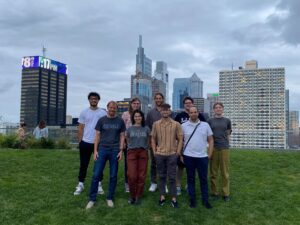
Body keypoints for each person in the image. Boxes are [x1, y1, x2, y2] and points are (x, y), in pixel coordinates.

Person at [86, 101, 125, 209]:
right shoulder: (101, 120)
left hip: (114, 150)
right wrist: (95, 151)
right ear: (107, 108)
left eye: (114, 108)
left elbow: (122, 136)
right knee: (96, 174)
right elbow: (97, 136)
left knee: (113, 175)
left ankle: (110, 198)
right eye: (110, 107)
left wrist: (121, 150)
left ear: (116, 109)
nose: (112, 109)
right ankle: (92, 199)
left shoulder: (120, 121)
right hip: (102, 149)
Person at [73, 92, 107, 196]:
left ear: (98, 100)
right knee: (84, 164)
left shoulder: (103, 113)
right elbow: (81, 128)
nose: (94, 100)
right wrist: (80, 141)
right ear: (89, 100)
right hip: (85, 142)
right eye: (92, 99)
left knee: (99, 165)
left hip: (99, 143)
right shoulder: (84, 112)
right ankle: (80, 184)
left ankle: (99, 184)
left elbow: (105, 128)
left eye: (95, 99)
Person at [151, 103, 183, 208]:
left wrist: (178, 152)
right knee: (161, 176)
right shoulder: (156, 124)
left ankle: (173, 198)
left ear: (170, 111)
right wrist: (154, 151)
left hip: (172, 154)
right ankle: (162, 196)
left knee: (172, 177)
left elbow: (180, 138)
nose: (165, 112)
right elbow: (153, 138)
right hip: (160, 154)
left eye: (167, 110)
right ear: (161, 112)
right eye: (163, 110)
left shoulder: (176, 124)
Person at [181, 106, 214, 209]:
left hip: (202, 157)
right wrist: (181, 154)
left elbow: (211, 140)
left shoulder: (205, 125)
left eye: (195, 112)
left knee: (203, 179)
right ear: (189, 114)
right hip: (188, 156)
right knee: (190, 179)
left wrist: (210, 154)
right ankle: (192, 200)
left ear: (198, 113)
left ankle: (205, 200)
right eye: (191, 112)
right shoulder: (183, 126)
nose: (193, 114)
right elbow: (180, 141)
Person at [174, 96, 206, 195]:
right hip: (182, 145)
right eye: (186, 103)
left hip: (195, 147)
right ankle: (177, 186)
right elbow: (175, 131)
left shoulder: (199, 115)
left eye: (190, 102)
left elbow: (204, 129)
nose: (188, 104)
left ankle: (189, 185)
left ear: (192, 104)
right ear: (184, 105)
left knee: (191, 168)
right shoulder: (179, 116)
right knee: (180, 168)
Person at [207, 102, 232, 202]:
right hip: (213, 148)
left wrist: (228, 144)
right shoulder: (209, 121)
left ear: (222, 109)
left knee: (225, 172)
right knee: (213, 172)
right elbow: (207, 134)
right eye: (216, 108)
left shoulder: (227, 120)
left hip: (224, 148)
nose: (218, 109)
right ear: (214, 110)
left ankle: (226, 193)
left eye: (220, 107)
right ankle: (214, 192)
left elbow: (228, 133)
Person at [126, 109, 150, 205]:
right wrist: (131, 147)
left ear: (142, 117)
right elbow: (127, 139)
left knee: (141, 175)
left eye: (139, 116)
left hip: (143, 152)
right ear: (133, 118)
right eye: (135, 116)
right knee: (132, 175)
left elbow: (149, 139)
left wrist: (146, 147)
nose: (137, 118)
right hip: (132, 152)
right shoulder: (130, 129)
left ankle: (138, 196)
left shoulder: (146, 128)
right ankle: (132, 195)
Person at [121, 97, 142, 193]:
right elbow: (122, 130)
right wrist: (123, 142)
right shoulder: (125, 114)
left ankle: (137, 183)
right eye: (134, 103)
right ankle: (127, 184)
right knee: (128, 165)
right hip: (128, 143)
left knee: (138, 165)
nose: (136, 105)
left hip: (139, 143)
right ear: (131, 104)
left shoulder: (141, 115)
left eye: (138, 103)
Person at [145, 92, 164, 192]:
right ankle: (154, 182)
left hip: (165, 141)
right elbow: (147, 128)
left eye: (160, 98)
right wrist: (149, 142)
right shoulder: (151, 113)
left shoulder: (168, 111)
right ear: (154, 100)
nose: (158, 100)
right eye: (156, 98)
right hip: (154, 141)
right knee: (154, 163)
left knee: (165, 163)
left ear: (163, 99)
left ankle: (163, 183)